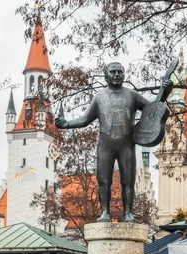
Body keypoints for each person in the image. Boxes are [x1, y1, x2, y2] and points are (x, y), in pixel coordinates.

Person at [56, 62, 172, 222]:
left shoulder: (132, 95)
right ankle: (104, 212)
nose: (117, 74)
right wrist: (67, 123)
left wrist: (165, 92)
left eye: (120, 72)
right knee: (103, 180)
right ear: (106, 76)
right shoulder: (100, 97)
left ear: (124, 75)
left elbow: (152, 109)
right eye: (113, 72)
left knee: (128, 181)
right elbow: (85, 119)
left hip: (127, 145)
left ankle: (128, 213)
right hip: (105, 145)